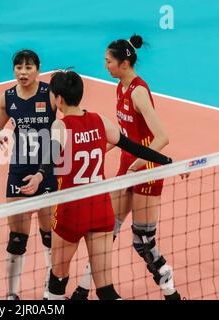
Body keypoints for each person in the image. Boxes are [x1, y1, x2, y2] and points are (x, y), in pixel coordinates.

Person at [22, 70, 173, 300]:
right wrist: (165, 160)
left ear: (59, 99)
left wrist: (40, 176)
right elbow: (132, 146)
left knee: (58, 279)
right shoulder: (99, 121)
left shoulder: (60, 127)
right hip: (101, 209)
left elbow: (52, 155)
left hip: (71, 210)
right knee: (106, 290)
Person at [71, 35, 182, 300]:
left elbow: (162, 137)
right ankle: (83, 289)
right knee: (105, 232)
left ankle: (171, 291)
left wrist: (137, 164)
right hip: (128, 166)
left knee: (143, 241)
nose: (105, 66)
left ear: (124, 63)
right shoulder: (120, 87)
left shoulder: (139, 91)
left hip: (146, 169)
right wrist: (99, 148)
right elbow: (124, 132)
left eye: (109, 61)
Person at [0, 50, 56, 300]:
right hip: (18, 171)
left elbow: (66, 123)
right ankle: (11, 294)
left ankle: (52, 290)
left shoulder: (49, 94)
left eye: (28, 67)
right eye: (18, 67)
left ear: (38, 69)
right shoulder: (8, 97)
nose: (23, 72)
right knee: (17, 238)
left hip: (47, 171)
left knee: (49, 235)